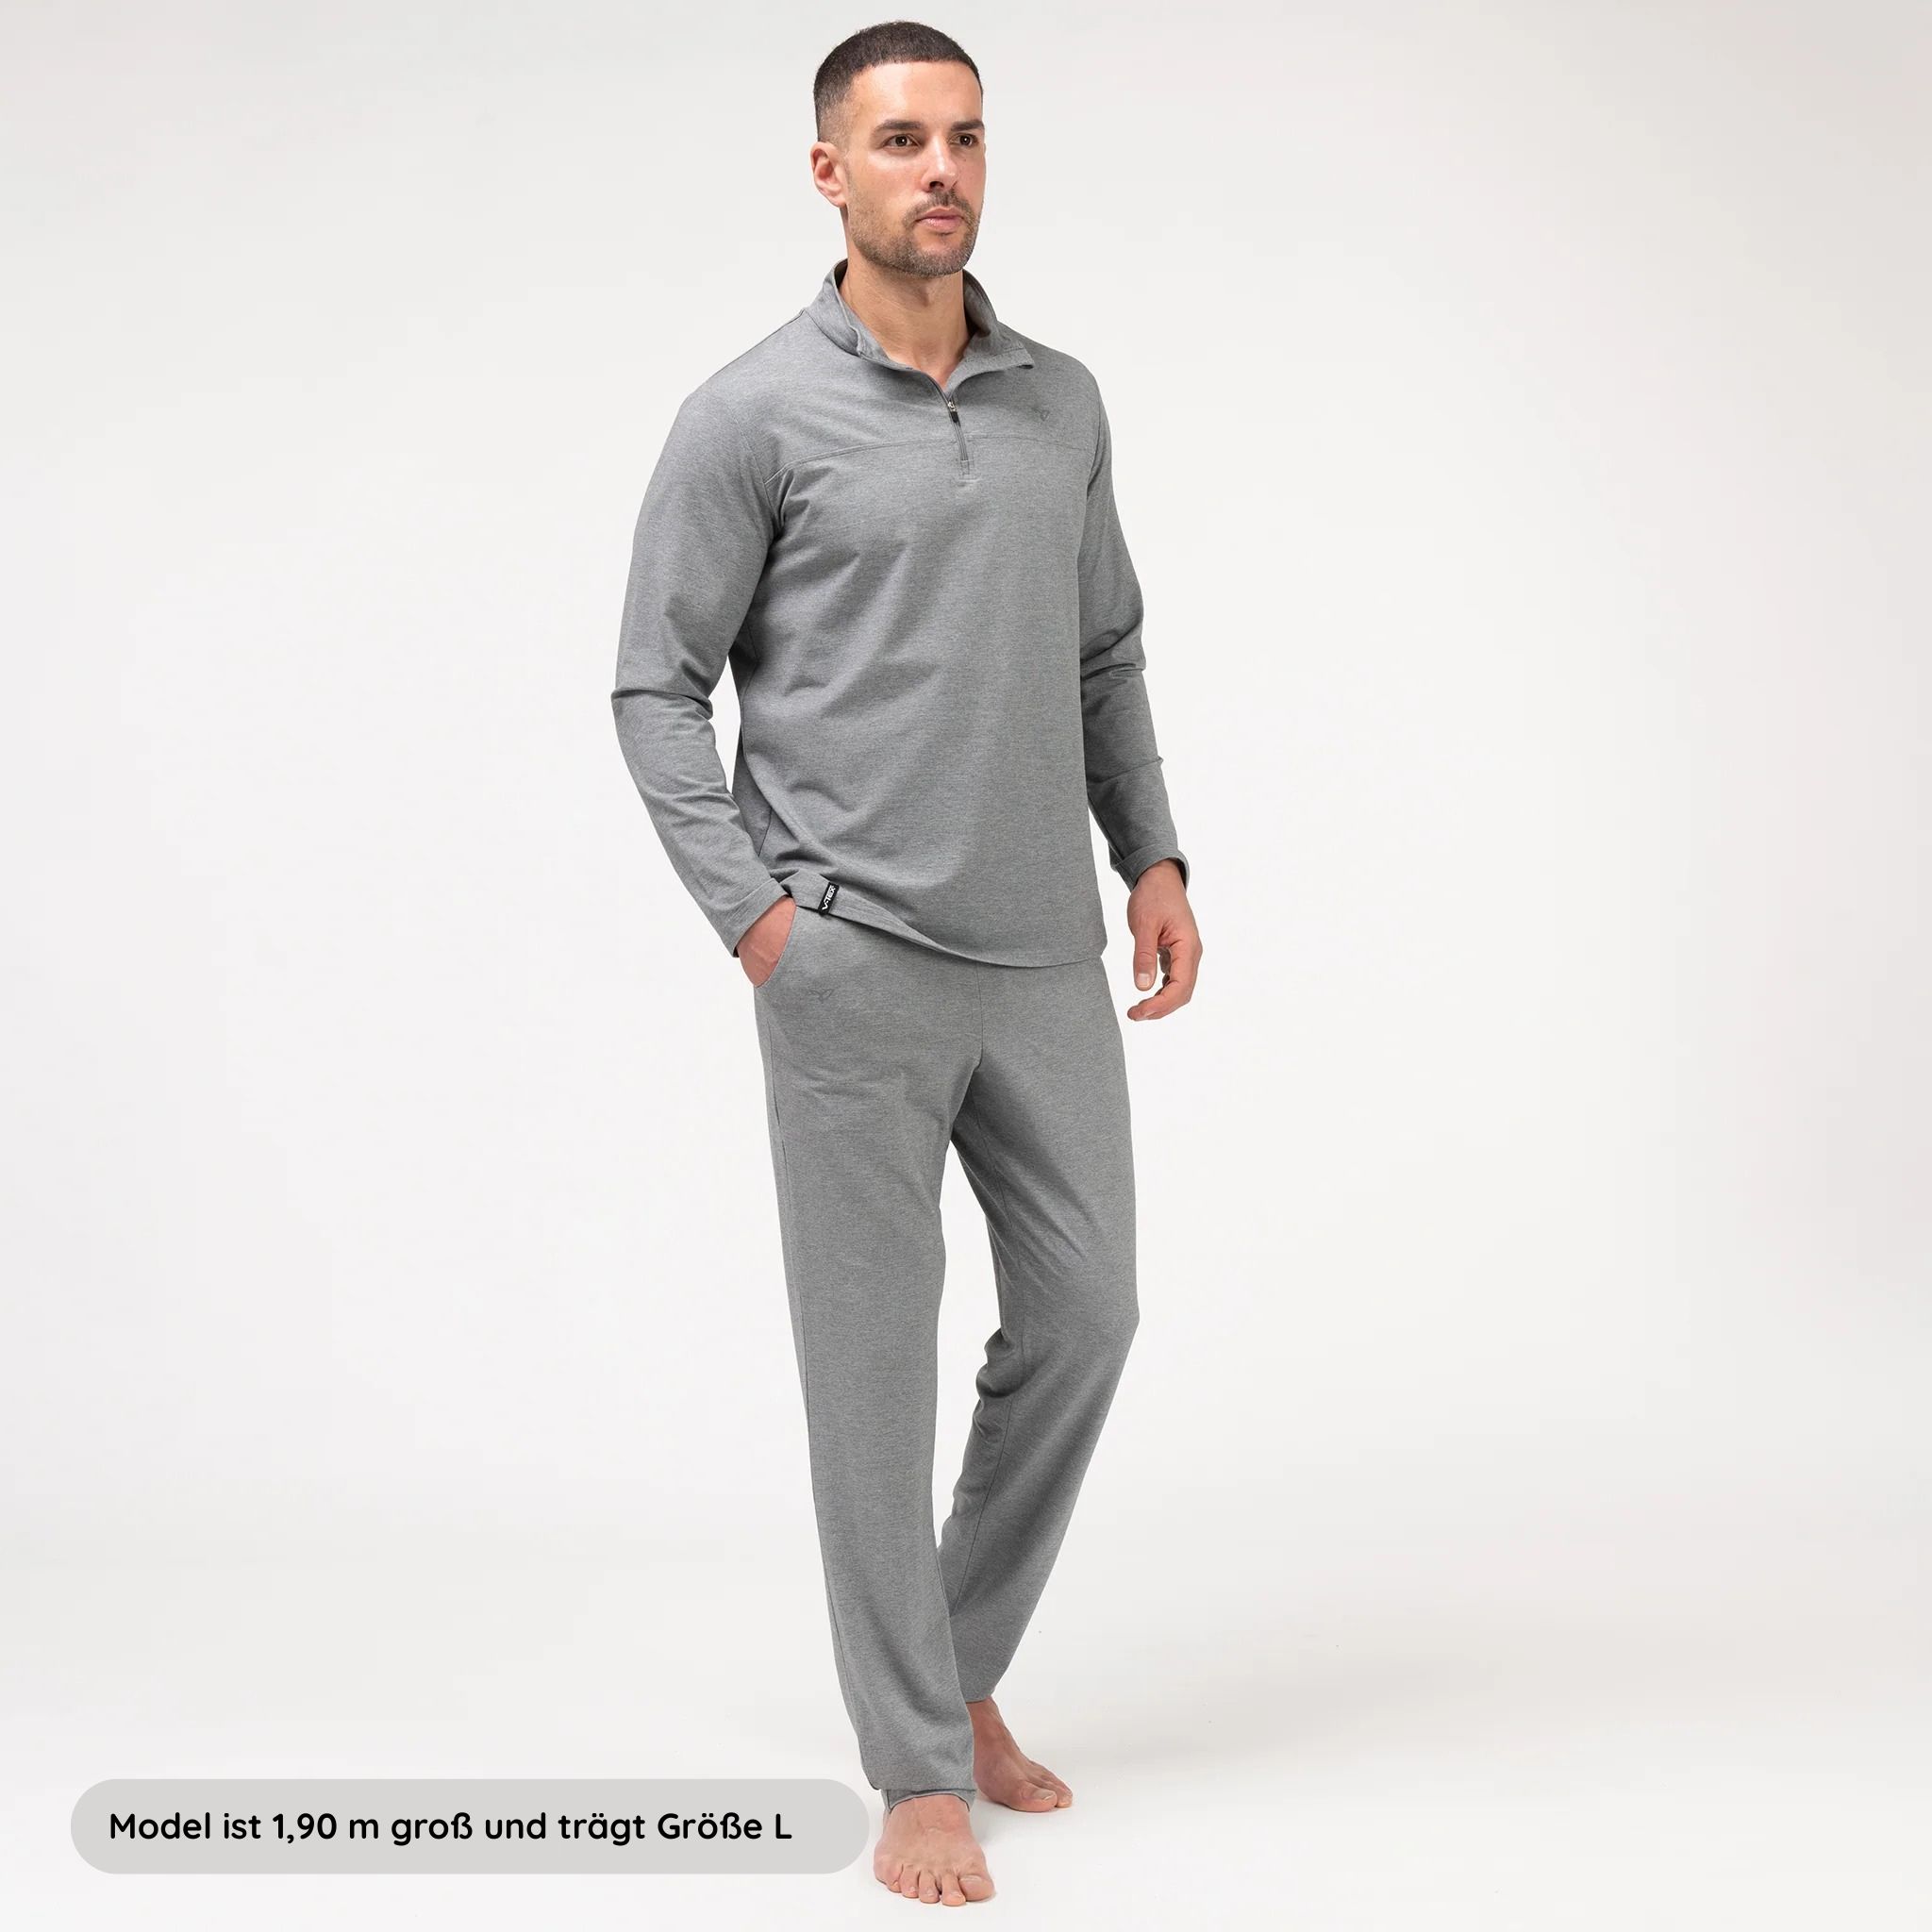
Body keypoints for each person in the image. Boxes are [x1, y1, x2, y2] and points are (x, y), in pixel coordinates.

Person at [609, 20, 1202, 1907]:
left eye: (962, 137)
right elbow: (653, 686)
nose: (938, 169)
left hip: (1041, 953)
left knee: (1088, 1313)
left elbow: (1103, 649)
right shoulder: (748, 416)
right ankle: (916, 1768)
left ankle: (947, 1675)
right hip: (849, 959)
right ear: (829, 172)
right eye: (897, 141)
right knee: (872, 1370)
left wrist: (1152, 853)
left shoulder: (1059, 402)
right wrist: (759, 922)